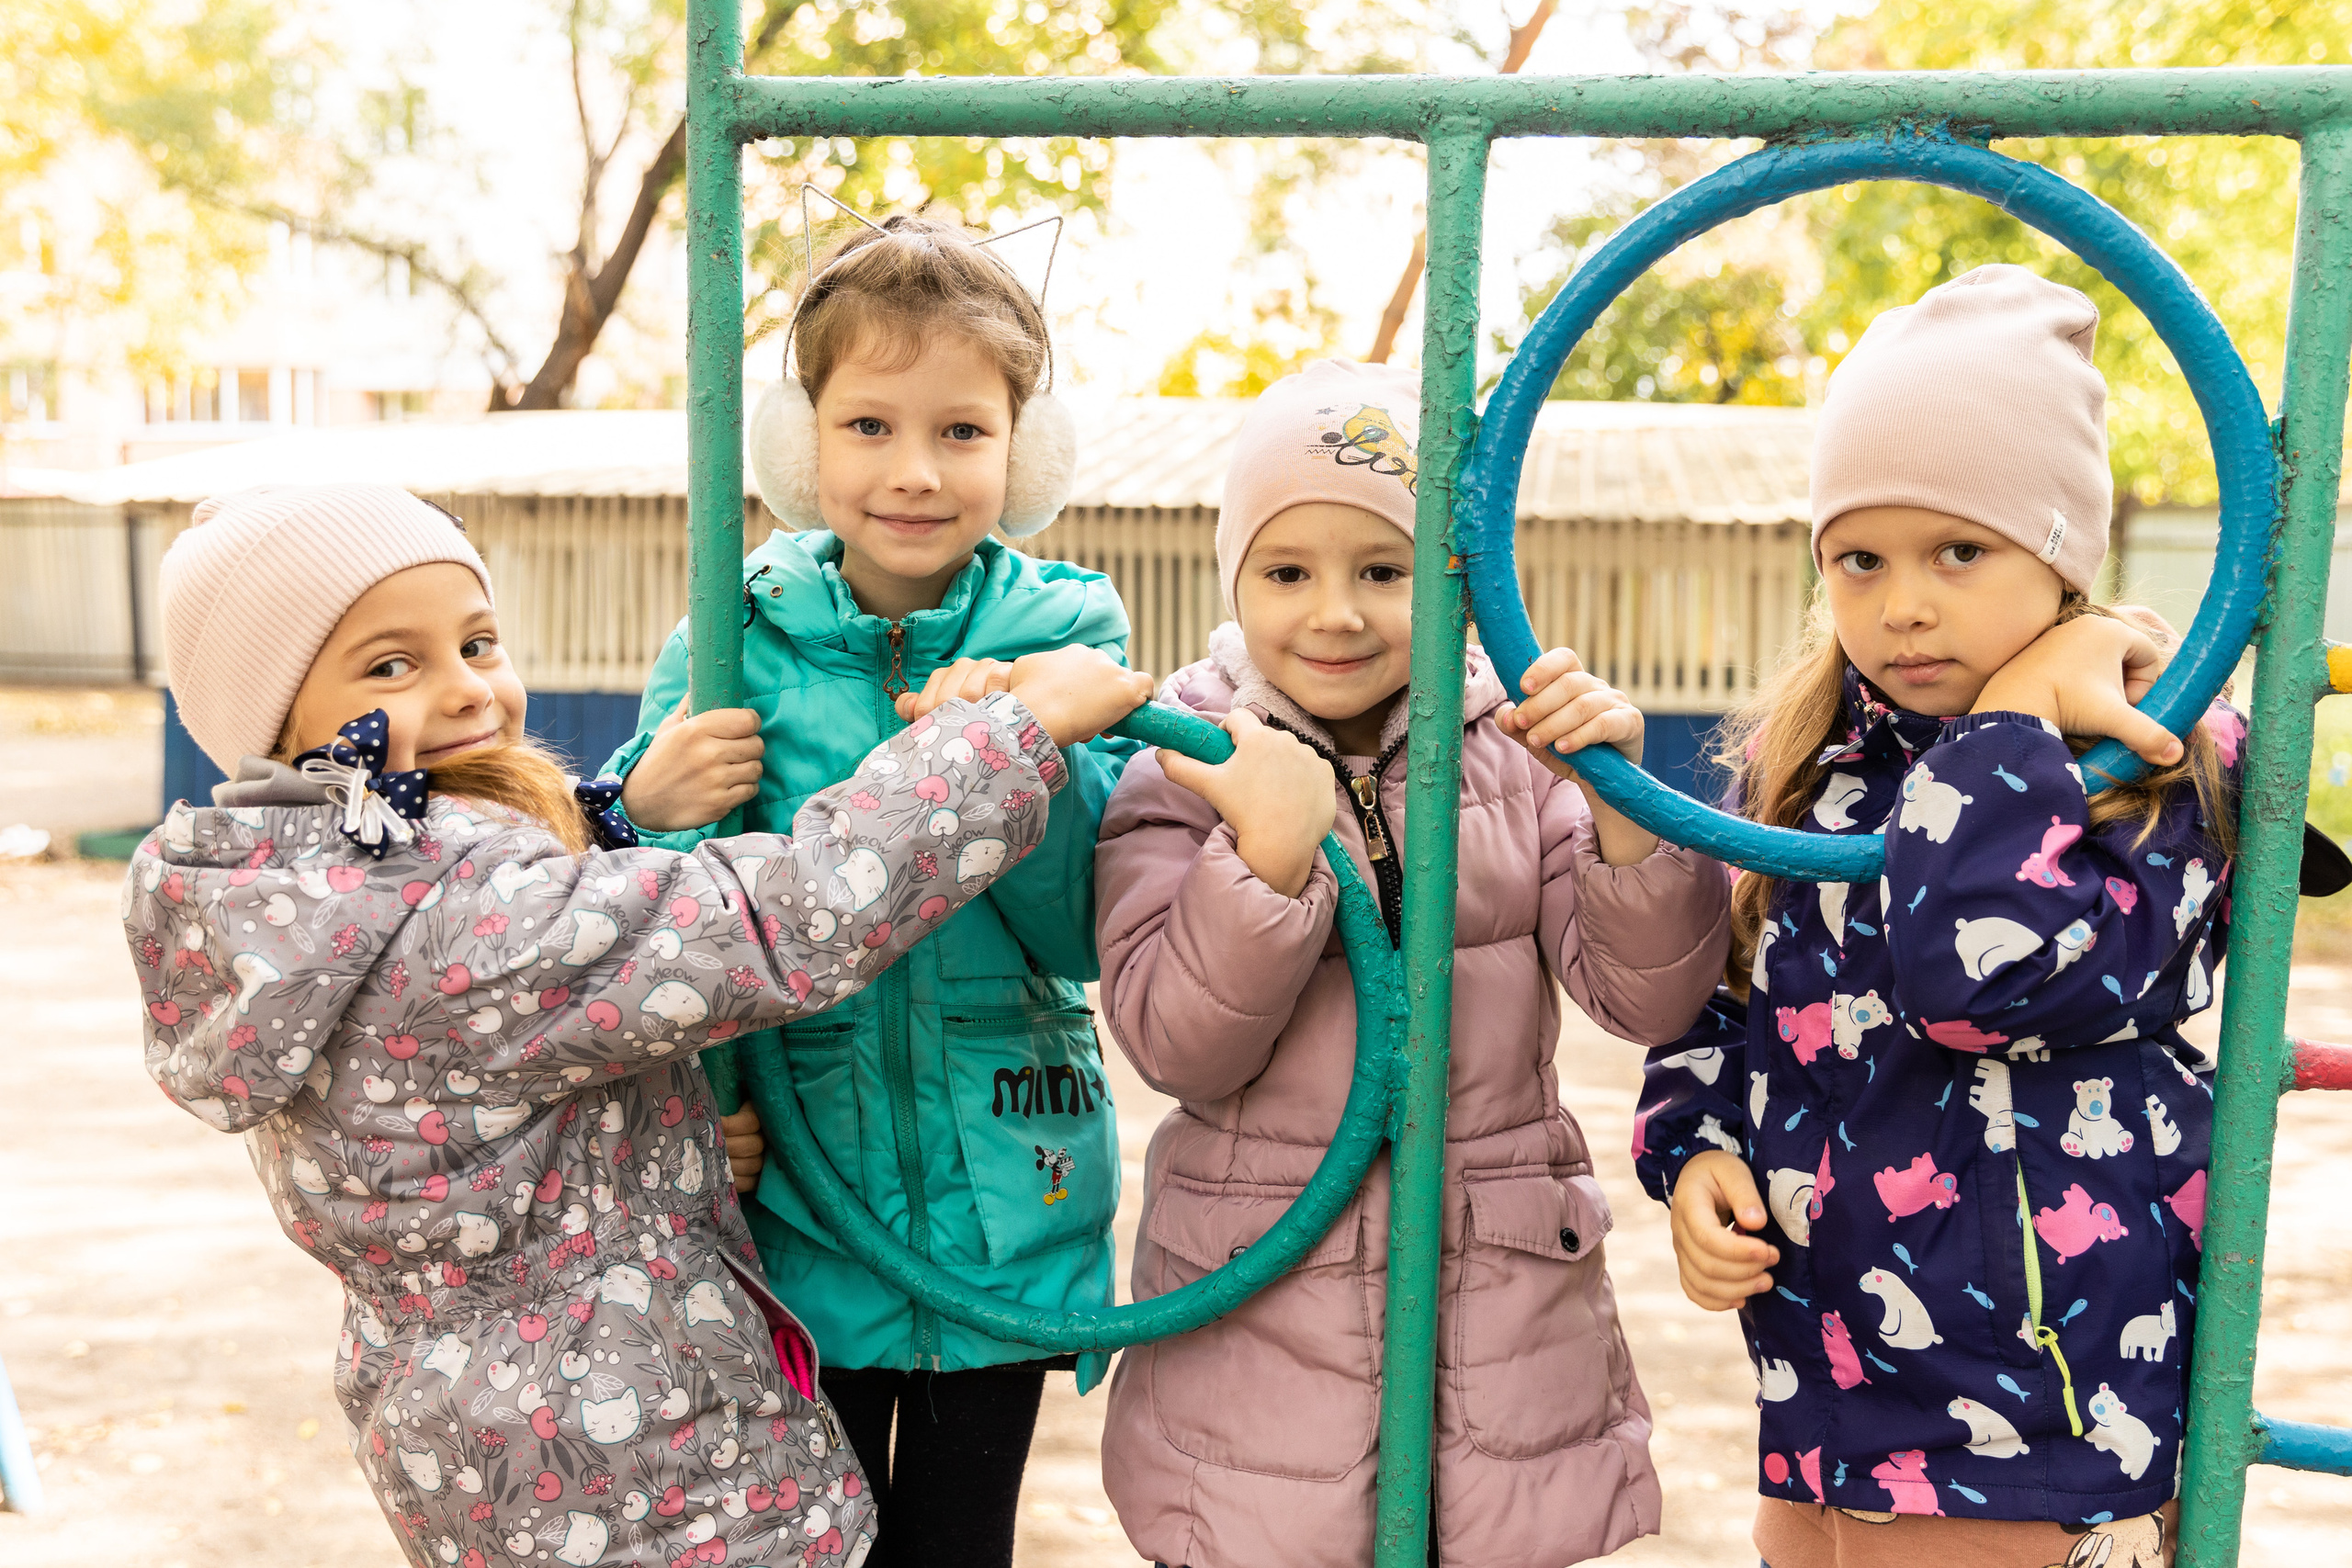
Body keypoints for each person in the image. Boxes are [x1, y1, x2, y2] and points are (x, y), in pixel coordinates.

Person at [124, 482, 1148, 1568]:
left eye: (477, 641)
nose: (468, 687)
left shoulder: (309, 895)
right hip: (640, 1454)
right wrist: (1006, 735)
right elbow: (786, 918)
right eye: (391, 666)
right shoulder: (464, 919)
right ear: (280, 716)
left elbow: (534, 995)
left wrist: (617, 826)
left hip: (478, 1441)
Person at [1637, 265, 2282, 1568]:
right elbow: (1729, 992)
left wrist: (2008, 731)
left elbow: (1977, 983)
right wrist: (1693, 1148)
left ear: (2059, 554)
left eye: (1960, 551)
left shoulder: (2161, 759)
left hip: (2034, 1397)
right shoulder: (1812, 758)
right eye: (1860, 559)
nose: (1906, 602)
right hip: (1823, 1373)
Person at [1090, 359, 1731, 1568]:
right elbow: (1178, 1039)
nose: (1334, 612)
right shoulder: (1184, 753)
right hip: (1257, 1347)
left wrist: (1630, 815)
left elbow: (1648, 996)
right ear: (1237, 578)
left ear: (1454, 576)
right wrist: (1267, 861)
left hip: (1499, 1330)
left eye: (1382, 569)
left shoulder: (1516, 752)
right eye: (1288, 571)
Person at [605, 213, 1138, 1568]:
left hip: (1004, 1196)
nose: (914, 472)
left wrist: (1011, 757)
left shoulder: (1069, 634)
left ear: (1028, 446)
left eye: (961, 430)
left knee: (961, 1544)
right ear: (800, 443)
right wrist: (636, 802)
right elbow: (642, 926)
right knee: (810, 1541)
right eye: (867, 426)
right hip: (793, 1191)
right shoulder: (725, 641)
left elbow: (1084, 927)